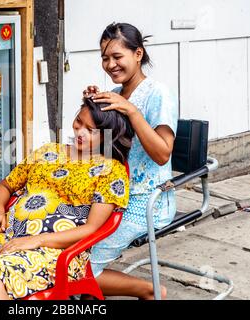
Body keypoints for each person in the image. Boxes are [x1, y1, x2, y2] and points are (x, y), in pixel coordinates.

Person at [0, 97, 135, 300]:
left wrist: (35, 240)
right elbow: (5, 186)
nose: (80, 132)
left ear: (108, 135)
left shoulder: (110, 171)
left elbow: (91, 228)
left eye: (91, 130)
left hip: (56, 253)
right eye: (79, 121)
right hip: (3, 238)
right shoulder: (48, 151)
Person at [84, 22, 179, 300]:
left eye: (117, 56)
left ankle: (149, 290)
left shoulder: (157, 93)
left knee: (79, 266)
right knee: (68, 246)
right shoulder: (117, 93)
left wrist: (132, 112)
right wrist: (93, 109)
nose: (110, 64)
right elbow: (104, 148)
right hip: (112, 194)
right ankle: (91, 290)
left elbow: (162, 153)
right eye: (104, 57)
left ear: (138, 54)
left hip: (147, 200)